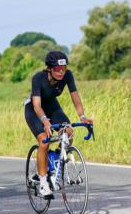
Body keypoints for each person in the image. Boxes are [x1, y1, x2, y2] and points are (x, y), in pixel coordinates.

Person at [25, 50, 93, 198]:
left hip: (53, 106)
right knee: (44, 140)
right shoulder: (38, 78)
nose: (61, 72)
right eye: (57, 69)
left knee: (68, 131)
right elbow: (37, 105)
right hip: (34, 109)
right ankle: (43, 183)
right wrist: (45, 121)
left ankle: (55, 158)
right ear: (49, 68)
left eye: (64, 69)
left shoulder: (67, 76)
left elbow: (75, 97)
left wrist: (82, 116)